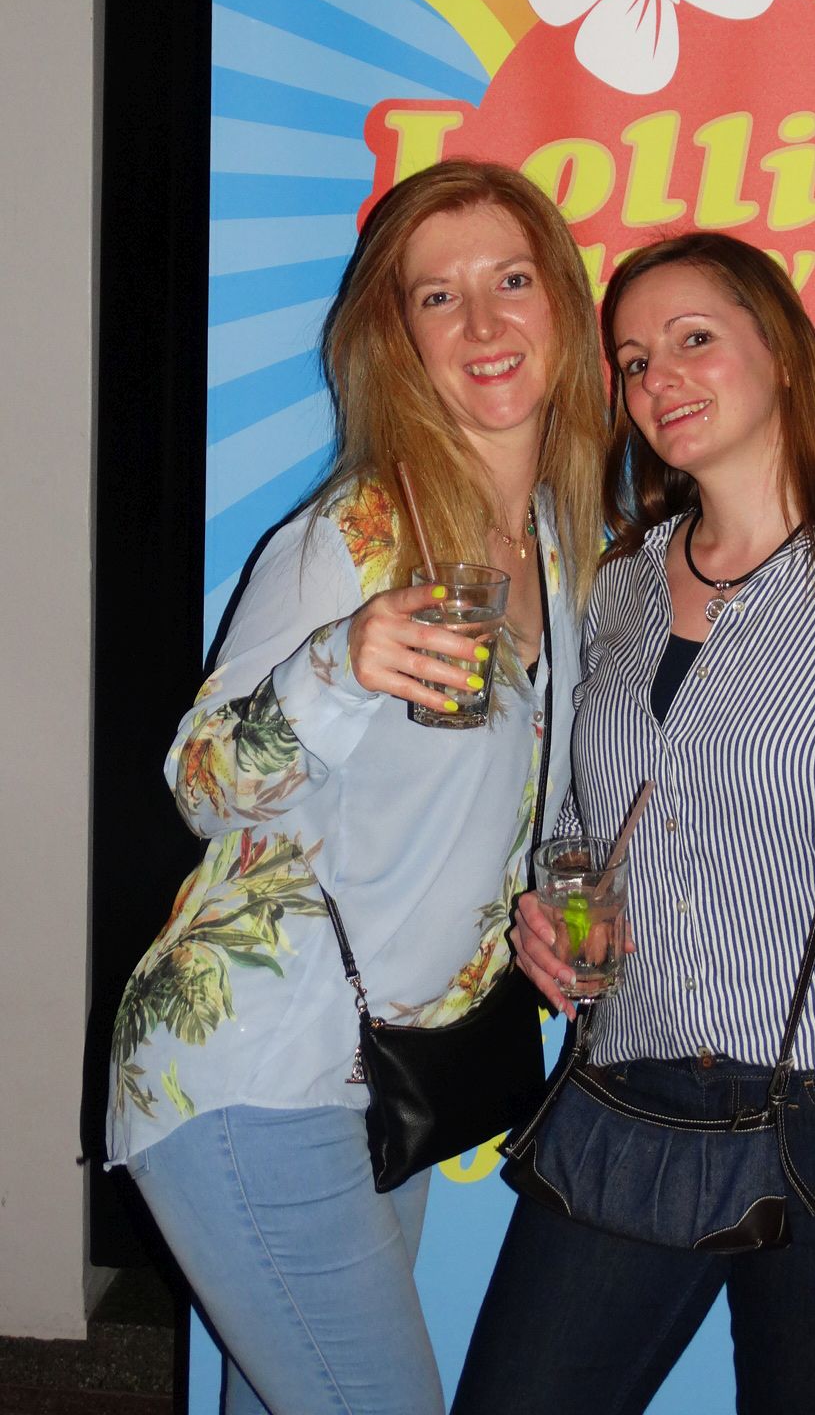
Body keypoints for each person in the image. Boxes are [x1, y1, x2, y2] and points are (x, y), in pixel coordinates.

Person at [453, 231, 815, 1415]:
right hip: (631, 1090)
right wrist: (547, 919)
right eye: (633, 361)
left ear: (785, 353)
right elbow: (587, 829)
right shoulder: (615, 588)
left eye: (694, 340)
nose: (658, 379)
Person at [107, 160, 606, 1415]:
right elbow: (200, 785)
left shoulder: (559, 550)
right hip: (259, 1068)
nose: (482, 323)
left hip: (386, 1072)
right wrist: (338, 661)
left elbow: (469, 815)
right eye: (438, 297)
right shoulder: (355, 534)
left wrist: (529, 921)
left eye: (511, 280)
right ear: (401, 340)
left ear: (563, 303)